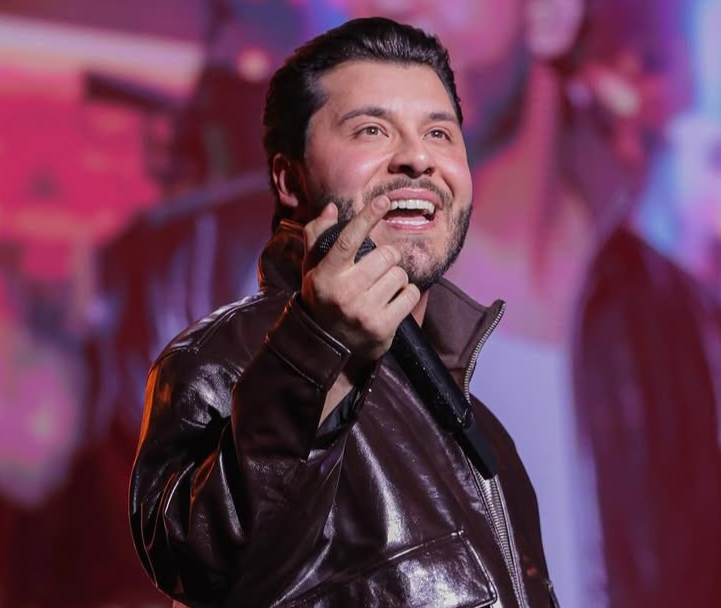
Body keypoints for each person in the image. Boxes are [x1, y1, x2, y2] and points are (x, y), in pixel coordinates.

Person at [129, 16, 558, 608]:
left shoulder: (481, 427)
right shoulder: (221, 363)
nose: (417, 159)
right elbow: (207, 570)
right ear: (289, 179)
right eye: (371, 130)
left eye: (439, 133)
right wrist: (317, 347)